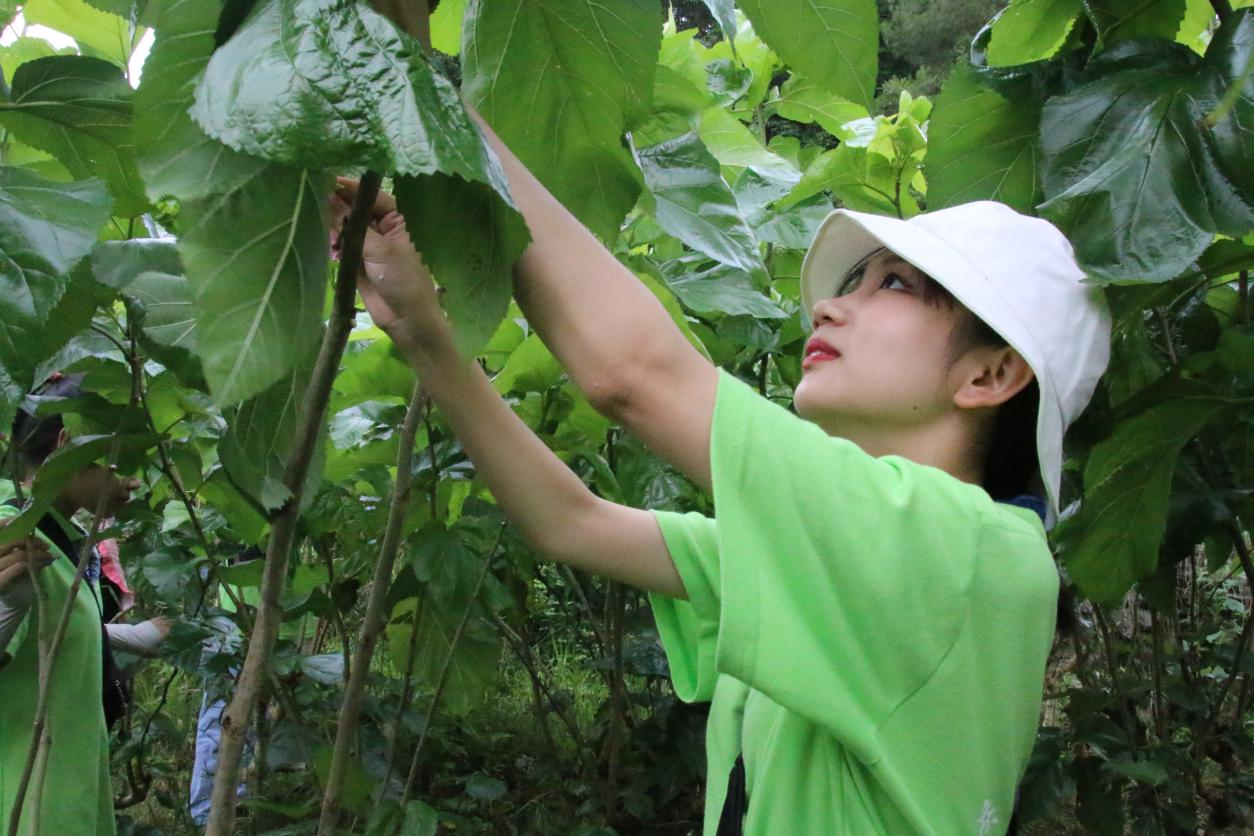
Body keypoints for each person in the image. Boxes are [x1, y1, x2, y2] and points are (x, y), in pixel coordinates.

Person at [332, 110, 1109, 833]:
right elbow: (573, 522)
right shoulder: (844, 556)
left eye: (896, 286)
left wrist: (436, 99)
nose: (830, 309)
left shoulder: (971, 554)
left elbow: (632, 377)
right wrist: (423, 334)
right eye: (852, 283)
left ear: (990, 375)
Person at [0, 373, 166, 835]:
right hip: (25, 804)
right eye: (121, 458)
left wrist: (126, 637)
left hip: (61, 793)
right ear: (68, 447)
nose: (134, 479)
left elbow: (45, 629)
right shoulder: (12, 535)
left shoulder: (62, 536)